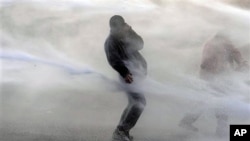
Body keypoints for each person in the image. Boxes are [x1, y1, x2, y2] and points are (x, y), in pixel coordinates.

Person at [179, 32, 249, 136]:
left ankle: (187, 121)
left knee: (206, 101)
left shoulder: (209, 44)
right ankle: (221, 131)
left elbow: (204, 63)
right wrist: (242, 66)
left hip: (208, 77)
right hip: (218, 78)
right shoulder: (226, 44)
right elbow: (239, 59)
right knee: (220, 103)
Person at [104, 15, 147, 141]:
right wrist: (125, 73)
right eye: (116, 29)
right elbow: (113, 60)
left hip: (135, 75)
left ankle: (122, 131)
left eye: (121, 28)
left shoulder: (127, 35)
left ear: (124, 26)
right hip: (128, 77)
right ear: (112, 28)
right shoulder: (110, 41)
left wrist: (131, 31)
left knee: (133, 103)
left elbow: (140, 45)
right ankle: (120, 131)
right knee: (139, 102)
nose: (118, 31)